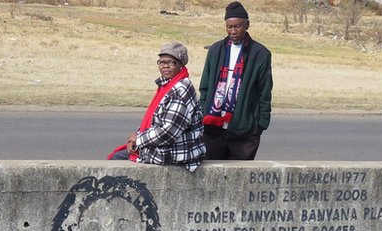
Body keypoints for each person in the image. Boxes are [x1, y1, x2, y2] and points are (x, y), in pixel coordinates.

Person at [108, 42, 206, 172]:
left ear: (181, 65)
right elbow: (155, 120)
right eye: (161, 62)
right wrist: (138, 136)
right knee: (121, 155)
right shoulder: (169, 85)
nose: (165, 66)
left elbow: (168, 132)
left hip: (177, 154)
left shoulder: (179, 90)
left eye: (171, 62)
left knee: (116, 161)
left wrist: (139, 139)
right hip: (172, 148)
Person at [198, 1, 273, 160]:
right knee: (212, 176)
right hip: (213, 127)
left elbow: (264, 91)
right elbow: (204, 86)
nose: (233, 31)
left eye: (237, 27)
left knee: (239, 179)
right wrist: (203, 111)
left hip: (244, 130)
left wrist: (260, 124)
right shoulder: (216, 50)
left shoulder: (260, 54)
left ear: (247, 25)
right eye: (229, 27)